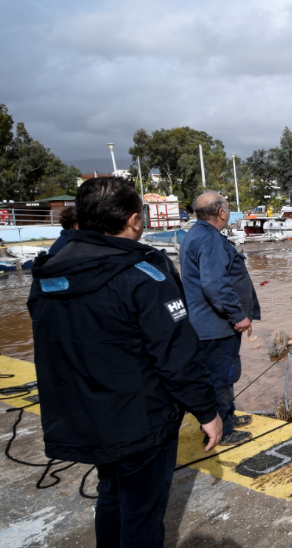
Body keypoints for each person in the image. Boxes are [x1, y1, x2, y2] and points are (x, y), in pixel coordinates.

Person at [27, 177, 222, 548]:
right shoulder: (144, 273)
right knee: (143, 516)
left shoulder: (50, 271)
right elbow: (176, 355)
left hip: (85, 415)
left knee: (111, 497)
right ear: (134, 220)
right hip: (140, 421)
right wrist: (207, 411)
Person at [180, 192, 261, 446]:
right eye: (227, 208)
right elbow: (215, 285)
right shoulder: (209, 239)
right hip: (216, 326)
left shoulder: (196, 234)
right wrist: (239, 316)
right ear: (221, 213)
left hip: (208, 324)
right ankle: (223, 429)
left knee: (220, 374)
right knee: (221, 376)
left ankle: (226, 416)